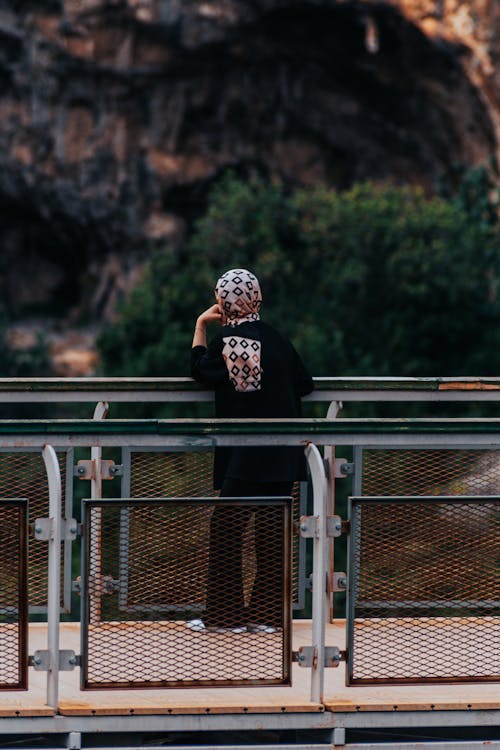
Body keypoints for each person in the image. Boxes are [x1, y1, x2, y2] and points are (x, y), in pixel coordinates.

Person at [190, 268, 314, 633]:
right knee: (271, 534)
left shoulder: (229, 340)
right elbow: (304, 385)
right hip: (283, 452)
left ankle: (225, 617)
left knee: (225, 529)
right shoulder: (276, 338)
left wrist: (200, 326)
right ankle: (266, 616)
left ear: (224, 301)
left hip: (248, 455)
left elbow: (199, 371)